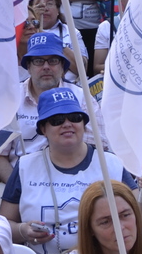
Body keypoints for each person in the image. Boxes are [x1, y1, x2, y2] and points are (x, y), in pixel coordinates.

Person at [0, 89, 142, 254]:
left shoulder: (111, 163)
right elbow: (3, 226)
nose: (67, 124)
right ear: (43, 129)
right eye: (57, 120)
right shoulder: (25, 167)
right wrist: (23, 231)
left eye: (75, 118)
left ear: (84, 124)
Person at [10, 30, 90, 158]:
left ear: (62, 66)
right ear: (28, 67)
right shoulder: (10, 98)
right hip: (19, 168)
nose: (46, 67)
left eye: (53, 60)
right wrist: (19, 172)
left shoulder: (82, 98)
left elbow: (97, 148)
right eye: (38, 61)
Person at [24, 0, 88, 76]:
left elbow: (82, 69)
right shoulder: (24, 33)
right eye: (39, 5)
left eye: (49, 4)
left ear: (58, 9)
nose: (45, 8)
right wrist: (35, 25)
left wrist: (52, 41)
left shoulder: (71, 32)